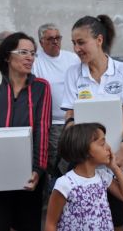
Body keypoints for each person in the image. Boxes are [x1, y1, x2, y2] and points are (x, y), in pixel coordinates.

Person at [61, 14, 123, 231]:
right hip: (84, 158)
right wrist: (72, 137)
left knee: (116, 219)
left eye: (81, 42)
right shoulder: (73, 73)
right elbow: (70, 114)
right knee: (83, 216)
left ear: (99, 40)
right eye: (74, 43)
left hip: (116, 155)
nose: (76, 48)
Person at [0, 32, 52, 231]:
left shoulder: (41, 87)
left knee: (27, 225)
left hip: (27, 175)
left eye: (33, 53)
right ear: (7, 56)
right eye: (23, 52)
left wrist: (38, 170)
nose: (30, 57)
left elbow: (43, 130)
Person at [44, 123, 123, 231]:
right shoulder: (65, 183)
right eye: (102, 144)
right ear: (85, 149)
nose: (108, 147)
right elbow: (51, 223)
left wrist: (115, 168)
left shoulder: (103, 177)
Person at [32, 23, 80, 177]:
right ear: (41, 42)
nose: (55, 41)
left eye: (58, 37)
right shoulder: (35, 61)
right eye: (50, 38)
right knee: (55, 164)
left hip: (75, 120)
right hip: (52, 124)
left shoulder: (72, 58)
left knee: (76, 160)